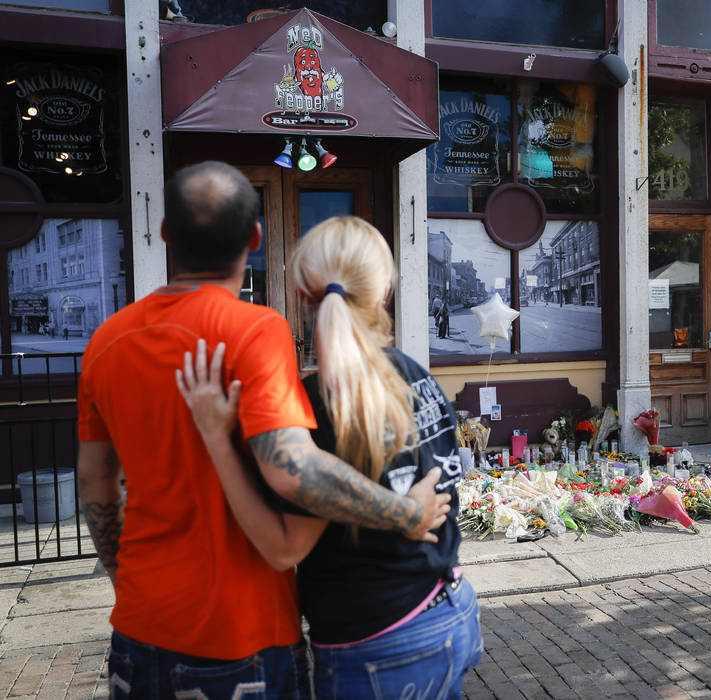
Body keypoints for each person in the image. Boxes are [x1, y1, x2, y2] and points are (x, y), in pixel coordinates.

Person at [76, 162, 450, 699]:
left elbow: (94, 485)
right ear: (255, 238)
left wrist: (128, 585)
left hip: (140, 626)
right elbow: (292, 468)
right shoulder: (256, 330)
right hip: (243, 634)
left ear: (163, 234)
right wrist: (407, 513)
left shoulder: (105, 343)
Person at [177, 216, 483, 699]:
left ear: (302, 296)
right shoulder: (415, 374)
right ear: (383, 291)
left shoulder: (318, 403)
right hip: (451, 606)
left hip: (379, 640)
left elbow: (284, 548)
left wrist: (217, 436)